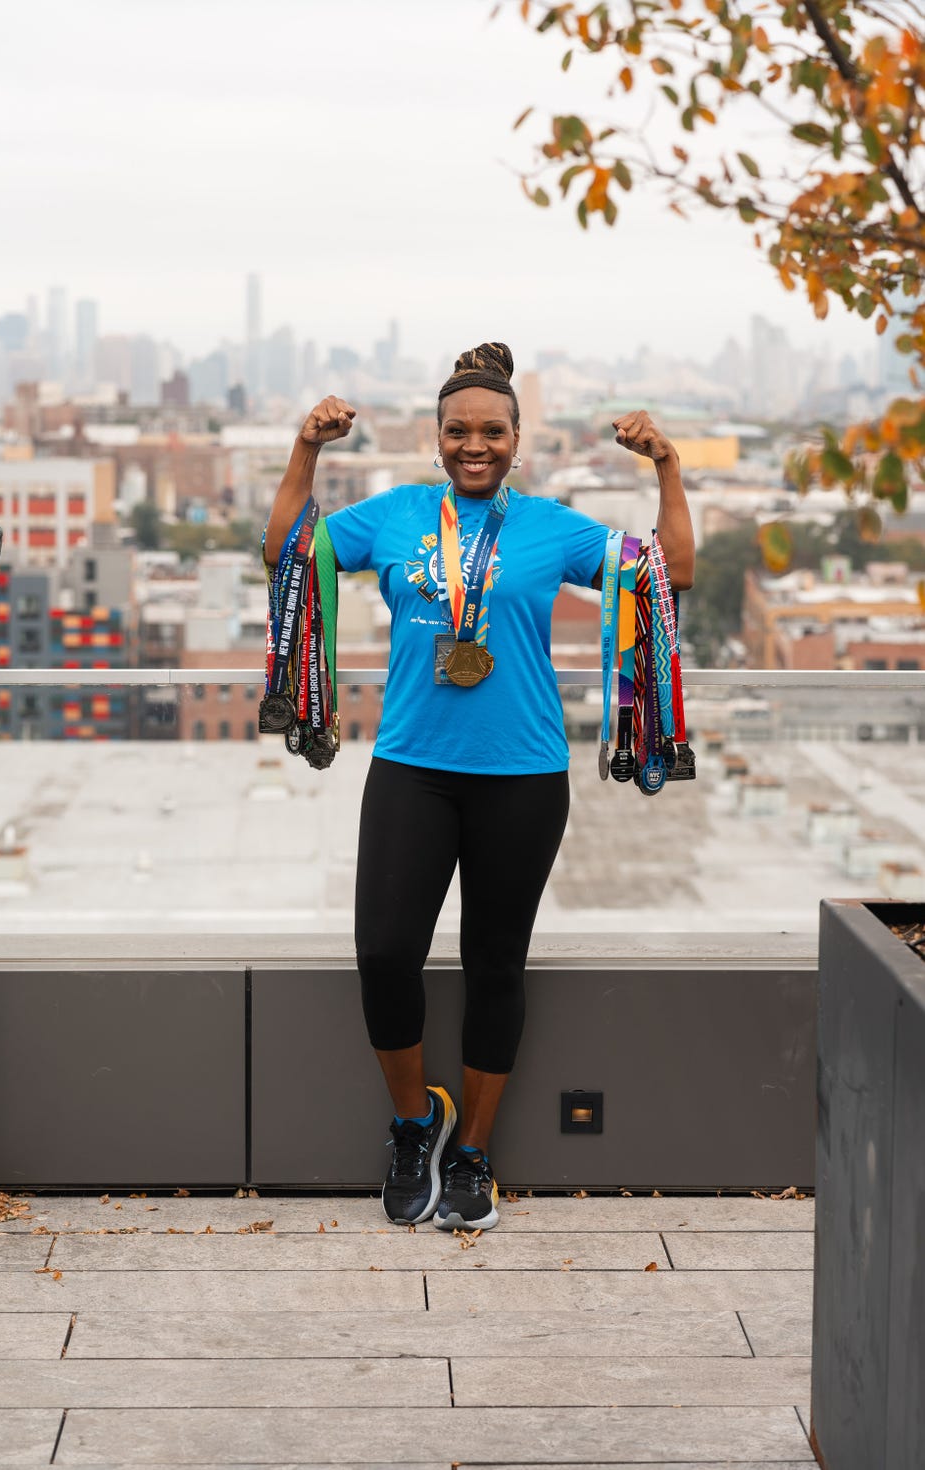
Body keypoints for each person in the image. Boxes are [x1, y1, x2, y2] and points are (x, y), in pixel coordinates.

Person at [264, 341, 694, 1231]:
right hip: (412, 768)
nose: (474, 444)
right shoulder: (394, 517)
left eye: (491, 430)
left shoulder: (552, 528)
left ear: (516, 437)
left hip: (524, 775)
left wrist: (668, 464)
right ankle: (416, 1125)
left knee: (497, 964)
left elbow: (671, 573)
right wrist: (307, 450)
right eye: (458, 430)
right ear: (437, 438)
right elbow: (287, 558)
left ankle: (474, 1155)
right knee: (385, 954)